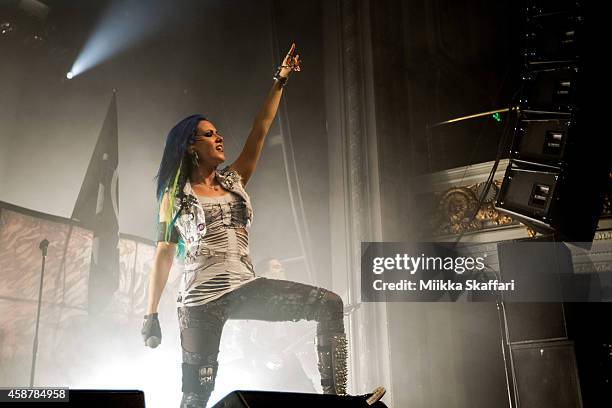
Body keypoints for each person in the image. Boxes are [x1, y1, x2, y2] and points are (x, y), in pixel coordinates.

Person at [141, 43, 385, 408]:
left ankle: (337, 403)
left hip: (244, 286)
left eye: (218, 132)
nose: (219, 137)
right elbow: (163, 253)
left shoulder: (233, 180)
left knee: (329, 304)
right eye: (209, 134)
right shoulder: (174, 197)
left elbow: (260, 128)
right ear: (190, 146)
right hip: (199, 301)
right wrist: (151, 314)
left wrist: (281, 79)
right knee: (196, 396)